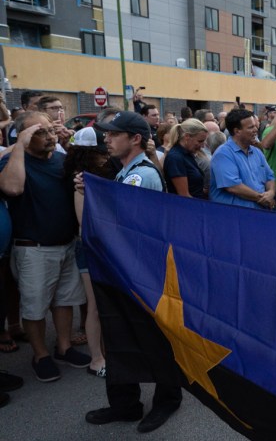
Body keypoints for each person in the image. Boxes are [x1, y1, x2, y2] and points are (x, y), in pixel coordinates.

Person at [85, 110, 182, 434]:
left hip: (140, 273)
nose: (106, 139)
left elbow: (128, 226)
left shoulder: (142, 175)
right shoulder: (128, 172)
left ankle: (167, 399)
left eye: (113, 134)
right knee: (121, 334)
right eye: (106, 134)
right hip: (124, 270)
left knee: (151, 337)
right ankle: (125, 404)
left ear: (135, 138)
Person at [0, 111, 90, 382]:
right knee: (35, 306)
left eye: (51, 130)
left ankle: (63, 347)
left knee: (65, 300)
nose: (50, 136)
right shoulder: (12, 161)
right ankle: (40, 354)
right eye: (39, 132)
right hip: (33, 248)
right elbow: (13, 188)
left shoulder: (62, 160)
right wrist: (19, 145)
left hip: (65, 244)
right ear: (24, 137)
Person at [64, 126, 115, 377]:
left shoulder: (96, 175)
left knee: (102, 304)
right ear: (88, 154)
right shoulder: (82, 179)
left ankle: (104, 352)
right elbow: (85, 223)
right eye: (100, 152)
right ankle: (96, 358)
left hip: (101, 248)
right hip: (92, 248)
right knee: (94, 305)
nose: (106, 156)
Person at [210, 109, 276, 209]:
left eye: (255, 125)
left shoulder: (257, 152)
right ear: (237, 131)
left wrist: (271, 192)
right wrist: (262, 199)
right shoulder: (223, 154)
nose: (256, 130)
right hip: (235, 217)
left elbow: (270, 177)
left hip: (258, 213)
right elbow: (233, 187)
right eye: (251, 127)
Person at [162, 119, 208, 198]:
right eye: (200, 141)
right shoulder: (175, 158)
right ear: (187, 136)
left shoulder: (186, 154)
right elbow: (184, 196)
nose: (203, 146)